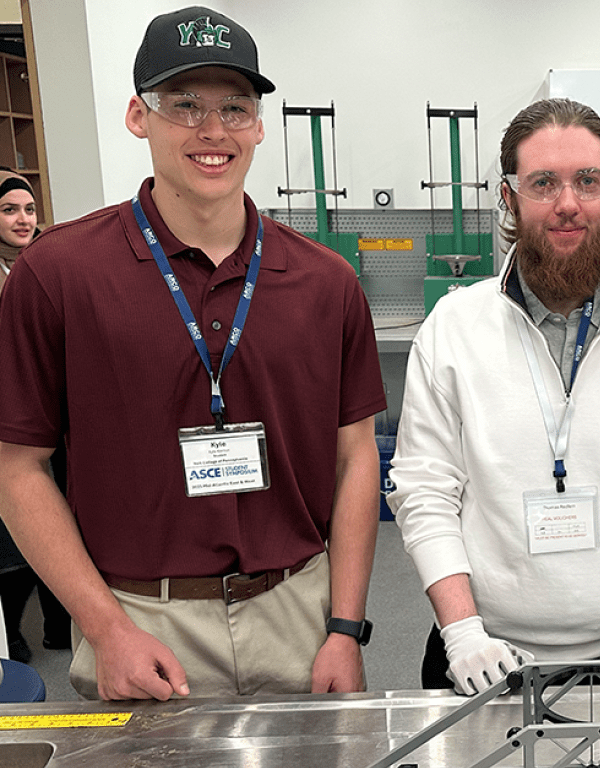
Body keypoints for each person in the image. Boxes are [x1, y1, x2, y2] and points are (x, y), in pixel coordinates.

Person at [0, 7, 385, 700]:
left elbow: (355, 456)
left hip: (298, 612)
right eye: (183, 104)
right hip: (139, 618)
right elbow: (15, 466)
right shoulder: (58, 275)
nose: (213, 131)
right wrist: (105, 627)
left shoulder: (327, 283)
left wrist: (344, 626)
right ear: (137, 116)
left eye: (235, 107)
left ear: (260, 125)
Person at [389, 98, 600, 695]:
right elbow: (425, 490)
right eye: (543, 182)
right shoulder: (455, 326)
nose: (567, 203)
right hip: (483, 654)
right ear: (509, 196)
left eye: (587, 181)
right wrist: (462, 632)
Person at [0, 168, 72, 664]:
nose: (23, 219)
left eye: (28, 209)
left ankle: (58, 624)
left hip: (55, 412)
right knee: (14, 530)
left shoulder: (48, 266)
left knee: (64, 509)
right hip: (9, 419)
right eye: (8, 210)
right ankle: (11, 633)